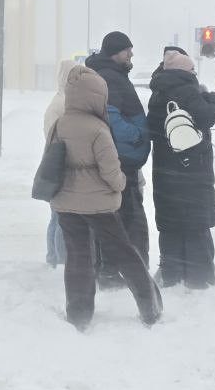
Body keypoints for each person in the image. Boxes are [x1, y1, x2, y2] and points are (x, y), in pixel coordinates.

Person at [51, 64, 162, 330]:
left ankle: (78, 313)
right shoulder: (98, 129)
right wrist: (122, 183)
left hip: (66, 203)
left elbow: (52, 159)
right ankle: (150, 307)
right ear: (95, 97)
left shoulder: (61, 123)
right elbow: (112, 172)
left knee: (78, 258)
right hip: (99, 205)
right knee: (125, 253)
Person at [146, 49, 215, 289]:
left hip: (166, 173)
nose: (194, 73)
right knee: (195, 226)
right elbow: (207, 115)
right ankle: (199, 279)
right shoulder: (188, 91)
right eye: (192, 69)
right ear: (184, 72)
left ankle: (173, 275)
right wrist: (213, 98)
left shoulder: (158, 94)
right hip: (191, 172)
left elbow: (151, 127)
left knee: (171, 226)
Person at [83, 31, 150, 289]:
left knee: (117, 219)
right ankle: (120, 275)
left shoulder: (110, 74)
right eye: (127, 50)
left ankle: (113, 271)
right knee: (127, 222)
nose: (131, 54)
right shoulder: (110, 77)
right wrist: (135, 137)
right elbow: (110, 118)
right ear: (114, 52)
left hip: (122, 161)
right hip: (122, 163)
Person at [43, 59, 78, 267]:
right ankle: (58, 258)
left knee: (57, 215)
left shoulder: (59, 100)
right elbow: (56, 137)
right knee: (61, 216)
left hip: (56, 163)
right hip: (60, 164)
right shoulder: (62, 103)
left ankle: (53, 257)